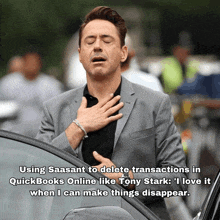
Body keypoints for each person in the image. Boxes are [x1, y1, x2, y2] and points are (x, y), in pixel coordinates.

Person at [36, 6, 187, 219]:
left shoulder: (154, 104)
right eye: (89, 42)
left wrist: (124, 177)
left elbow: (178, 178)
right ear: (80, 54)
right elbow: (37, 174)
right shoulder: (55, 108)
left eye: (106, 41)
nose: (97, 47)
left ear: (123, 53)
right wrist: (77, 129)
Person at [0, 51, 63, 137]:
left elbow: (58, 112)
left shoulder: (52, 85)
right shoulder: (7, 83)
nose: (31, 65)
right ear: (23, 62)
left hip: (41, 133)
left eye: (34, 62)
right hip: (13, 131)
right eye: (28, 62)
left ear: (40, 64)